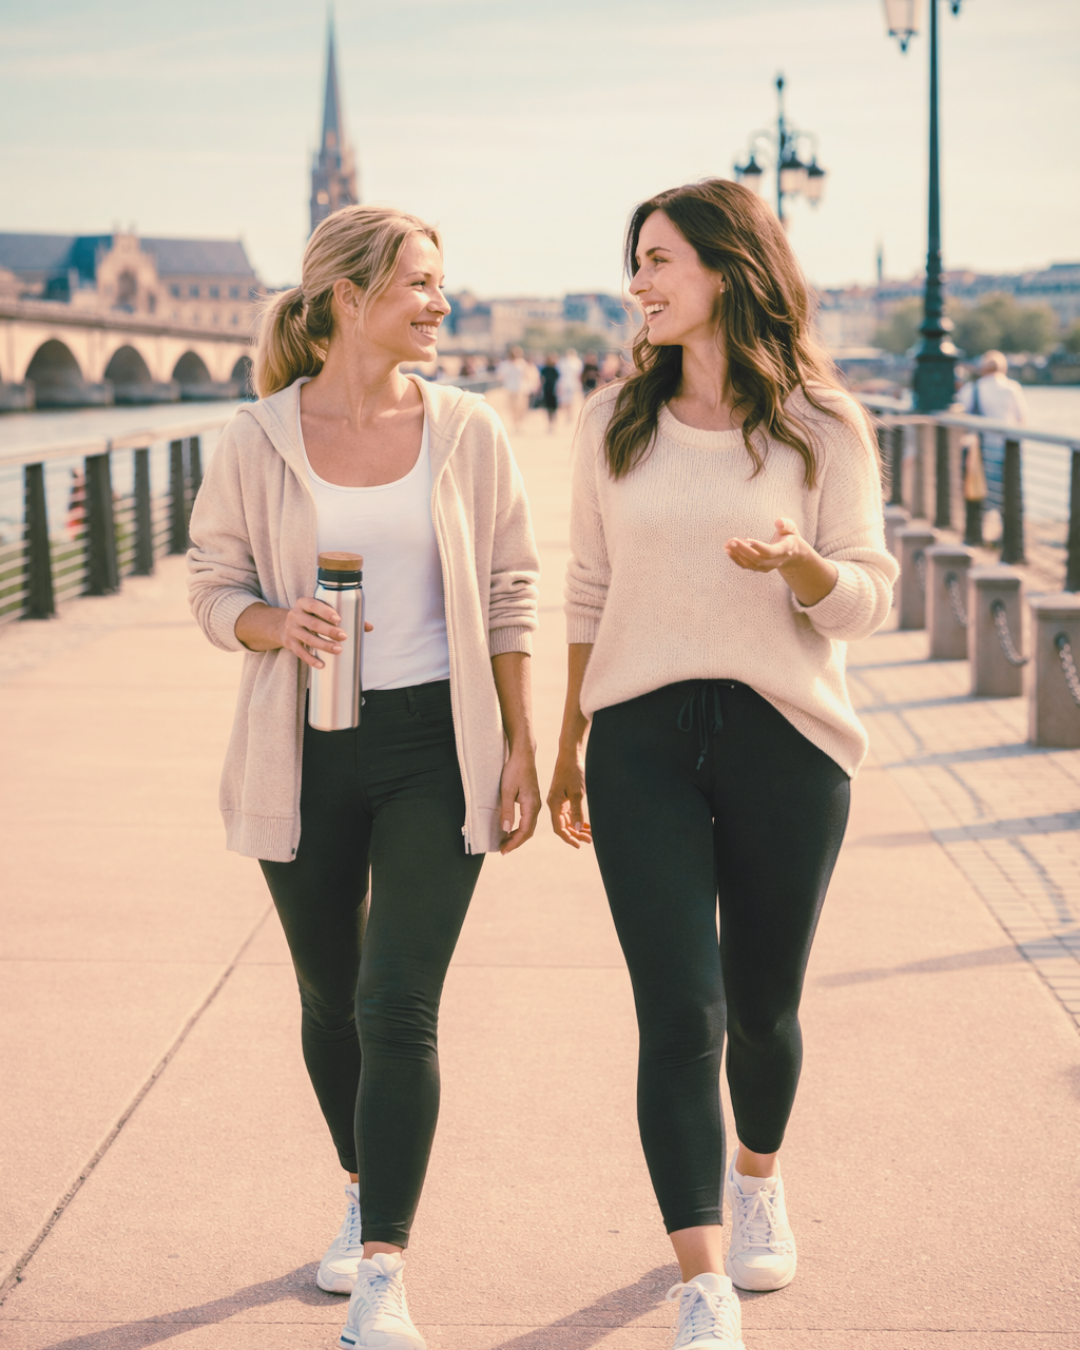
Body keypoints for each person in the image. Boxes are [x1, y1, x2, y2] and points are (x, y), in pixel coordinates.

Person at [546, 179, 897, 1350]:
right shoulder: (610, 423)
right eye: (635, 261)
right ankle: (701, 1281)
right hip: (640, 736)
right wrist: (566, 743)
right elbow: (587, 590)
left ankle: (758, 1173)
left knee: (761, 1007)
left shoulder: (823, 426)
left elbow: (867, 600)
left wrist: (800, 568)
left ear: (727, 270)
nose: (638, 283)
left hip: (787, 739)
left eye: (658, 260)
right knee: (679, 1010)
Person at [188, 205, 541, 1350]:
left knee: (400, 1004)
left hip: (436, 744)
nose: (441, 303)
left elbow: (513, 587)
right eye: (420, 286)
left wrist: (525, 742)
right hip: (306, 744)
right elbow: (208, 585)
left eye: (442, 283)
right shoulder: (257, 436)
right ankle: (357, 1182)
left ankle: (385, 1265)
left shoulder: (468, 428)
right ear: (347, 296)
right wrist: (267, 623)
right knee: (329, 999)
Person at [957, 349, 1028, 502]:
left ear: (983, 368)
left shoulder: (973, 388)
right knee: (1009, 488)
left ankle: (983, 517)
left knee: (983, 487)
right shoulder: (1012, 388)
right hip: (1008, 445)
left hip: (982, 446)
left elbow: (960, 414)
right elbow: (1022, 418)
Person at [496, 343, 532, 430]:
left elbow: (527, 375)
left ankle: (519, 421)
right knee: (512, 406)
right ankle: (516, 422)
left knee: (520, 406)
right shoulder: (505, 364)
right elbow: (500, 376)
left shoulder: (522, 363)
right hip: (510, 388)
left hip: (520, 388)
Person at [556, 347, 584, 421]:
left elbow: (578, 374)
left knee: (572, 400)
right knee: (565, 400)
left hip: (572, 382)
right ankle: (566, 415)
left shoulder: (576, 362)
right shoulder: (563, 362)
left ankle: (570, 415)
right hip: (565, 382)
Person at [539, 351, 560, 431]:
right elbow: (541, 380)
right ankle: (550, 423)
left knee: (553, 408)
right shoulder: (544, 369)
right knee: (548, 408)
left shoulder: (554, 369)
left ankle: (553, 423)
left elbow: (558, 381)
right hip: (547, 389)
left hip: (553, 389)